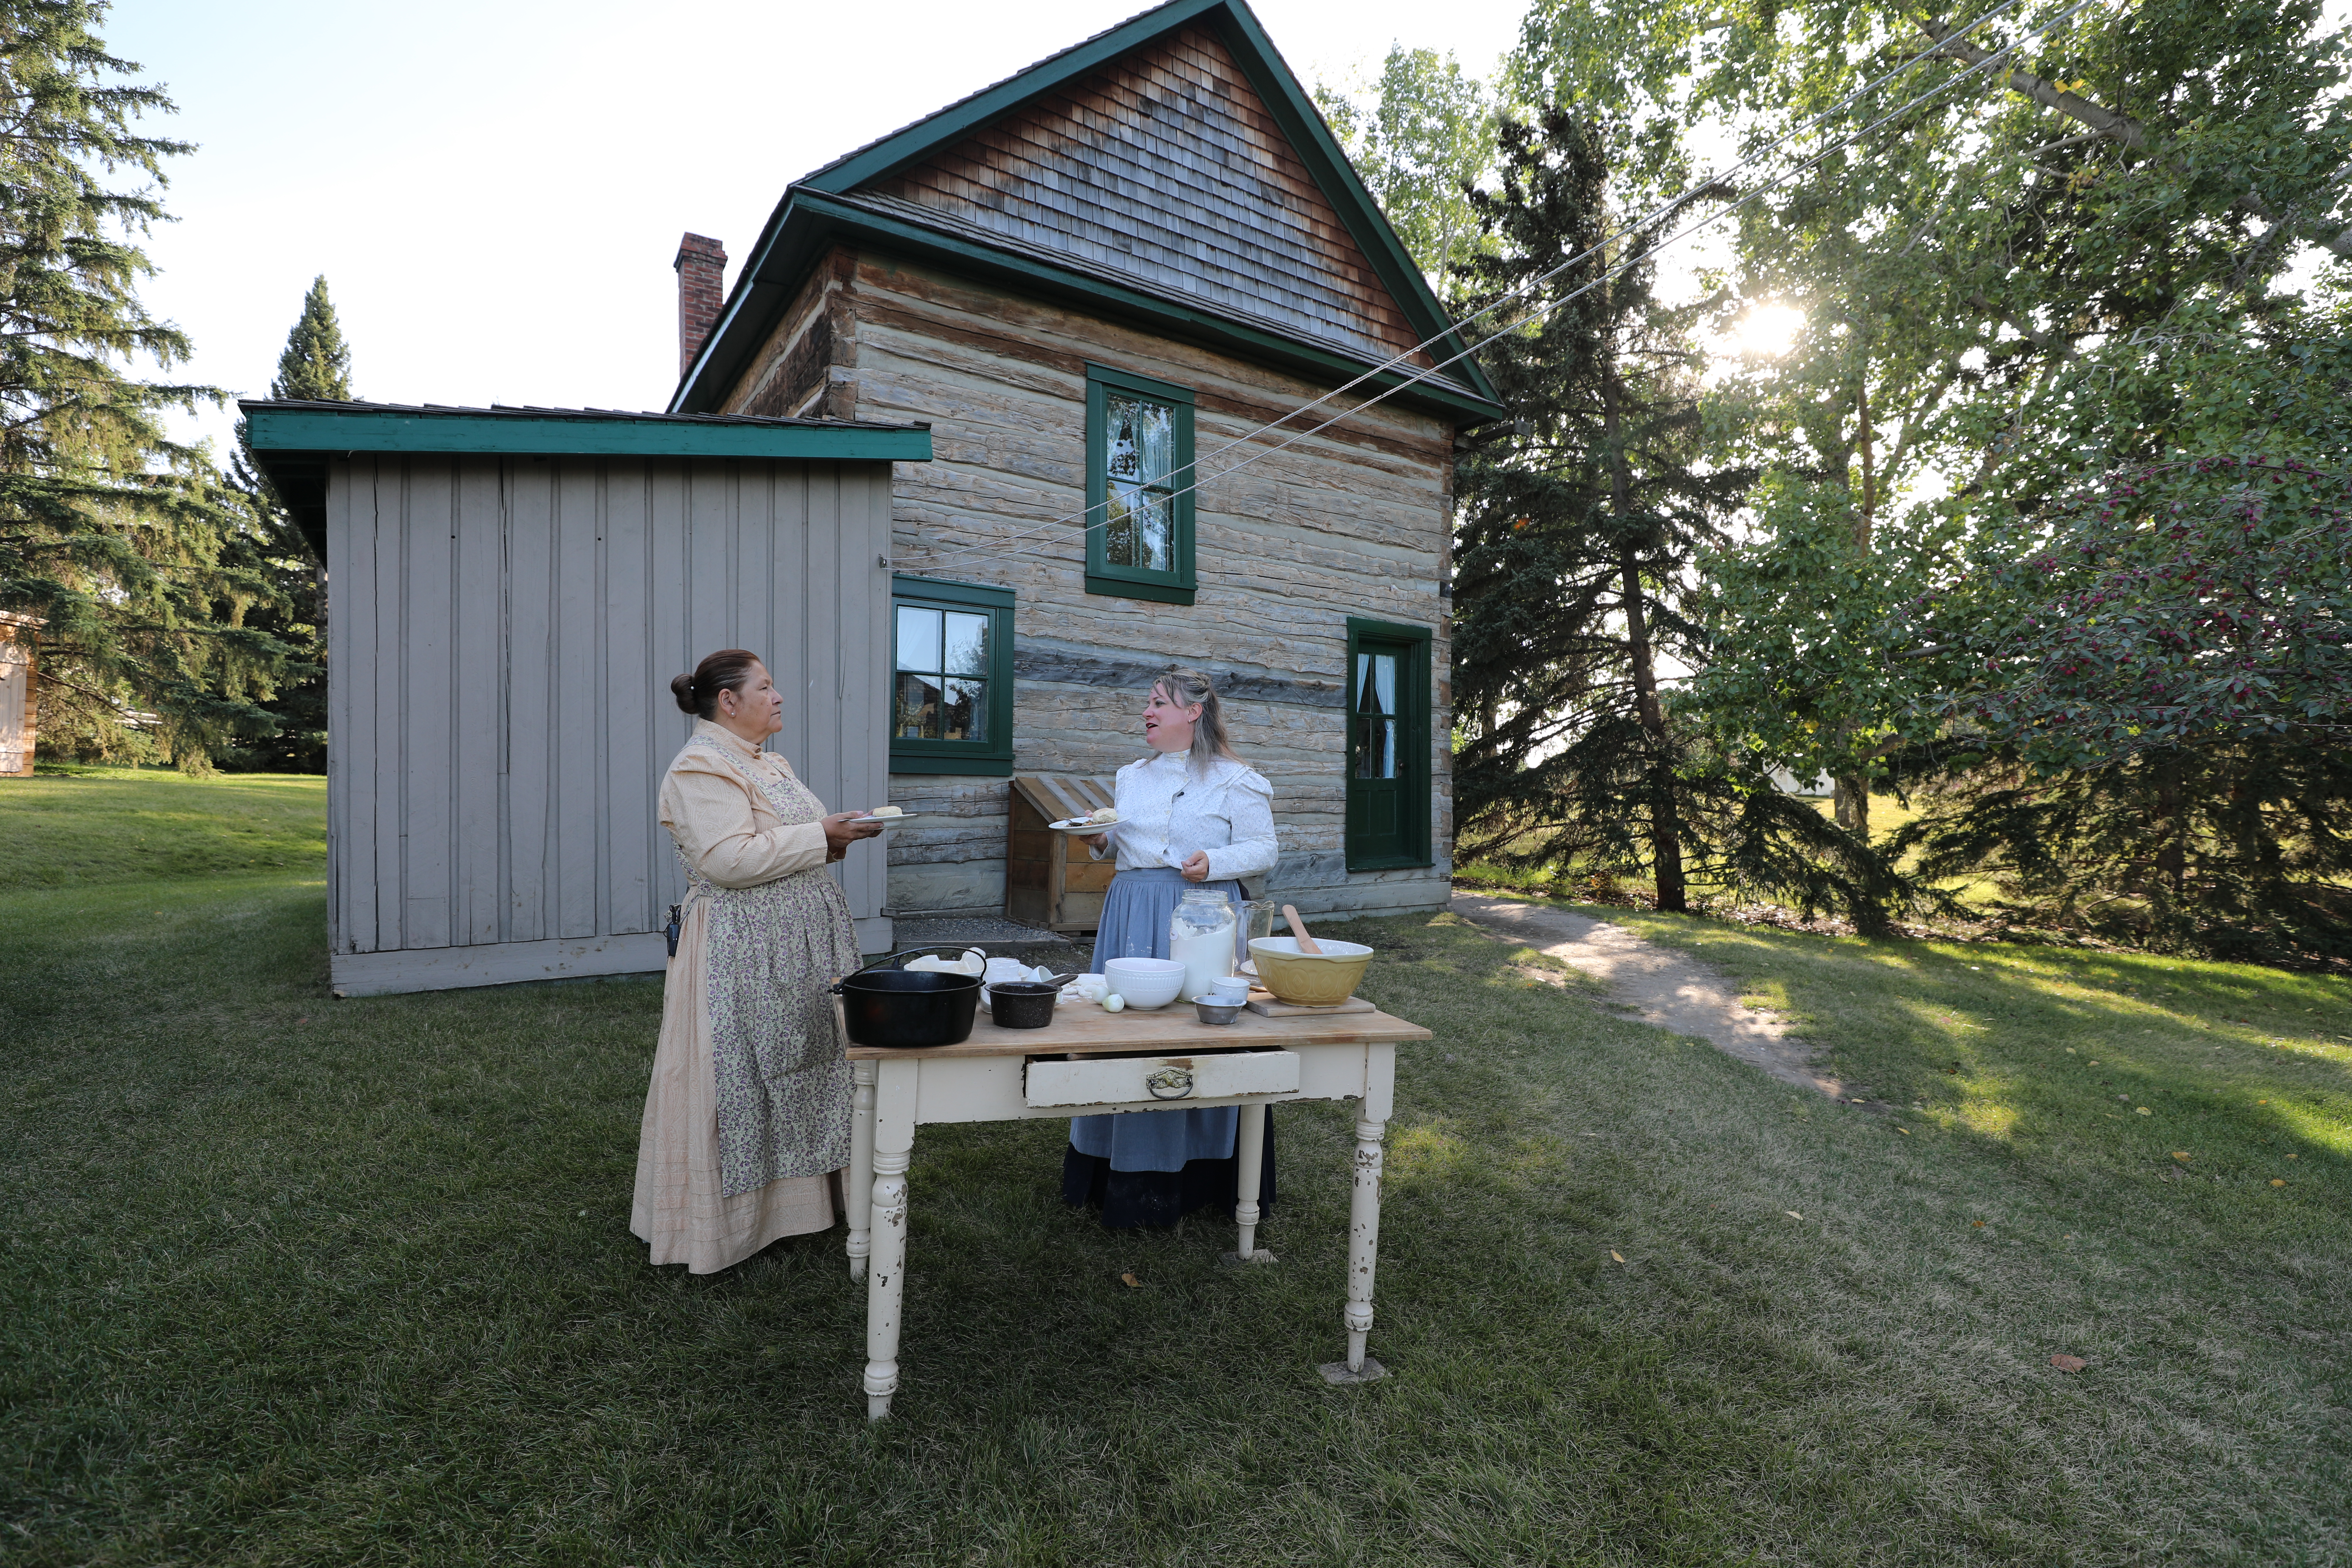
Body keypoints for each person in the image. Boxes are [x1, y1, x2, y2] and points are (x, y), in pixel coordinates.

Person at [631, 649, 886, 1273]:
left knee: (802, 1063)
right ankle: (728, 1228)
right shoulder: (699, 768)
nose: (778, 697)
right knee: (741, 1075)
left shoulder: (768, 764)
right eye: (766, 687)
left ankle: (806, 1205)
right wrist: (823, 835)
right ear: (729, 701)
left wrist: (835, 837)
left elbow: (784, 842)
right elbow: (728, 861)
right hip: (741, 950)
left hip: (795, 941)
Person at [1064, 667, 1280, 1228]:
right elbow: (1123, 843)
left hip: (1202, 912)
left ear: (1195, 712)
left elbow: (1264, 849)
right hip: (1133, 908)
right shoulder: (1131, 775)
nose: (1147, 712)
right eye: (1148, 703)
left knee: (1200, 1028)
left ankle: (1206, 1172)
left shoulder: (1238, 779)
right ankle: (1116, 1165)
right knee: (1128, 1029)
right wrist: (1099, 840)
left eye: (1160, 703)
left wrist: (1215, 862)